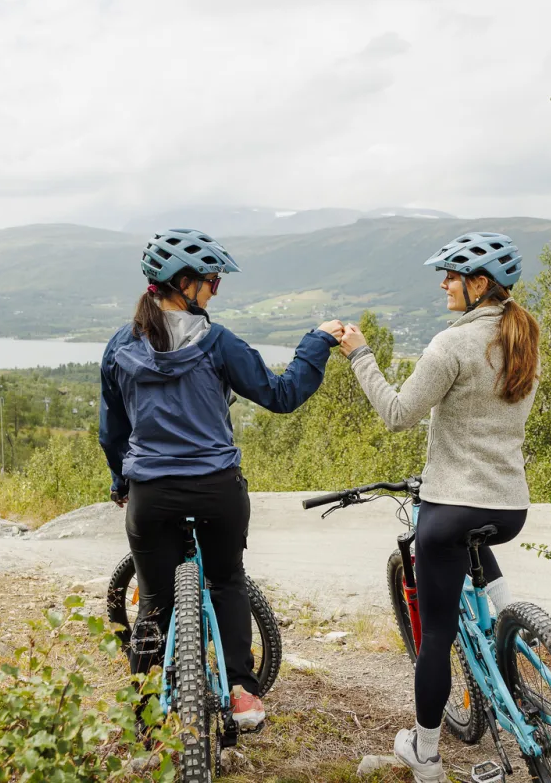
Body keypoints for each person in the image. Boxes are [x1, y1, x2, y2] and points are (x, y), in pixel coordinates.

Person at [100, 228, 344, 729]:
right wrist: (316, 342)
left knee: (154, 601)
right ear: (184, 284)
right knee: (226, 579)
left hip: (152, 494)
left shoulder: (120, 347)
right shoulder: (218, 343)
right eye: (212, 282)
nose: (215, 291)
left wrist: (121, 482)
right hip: (217, 489)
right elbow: (281, 395)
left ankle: (146, 711)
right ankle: (241, 690)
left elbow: (113, 431)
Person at [336, 232, 539, 782]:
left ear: (479, 285)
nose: (443, 283)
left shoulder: (451, 346)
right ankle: (522, 635)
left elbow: (398, 413)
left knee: (438, 636)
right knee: (478, 550)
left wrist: (360, 356)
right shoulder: (522, 337)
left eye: (451, 275)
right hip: (509, 508)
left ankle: (424, 753)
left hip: (451, 508)